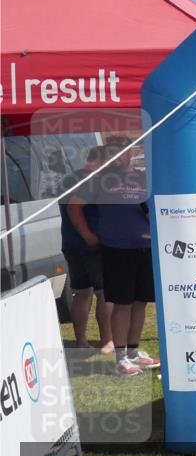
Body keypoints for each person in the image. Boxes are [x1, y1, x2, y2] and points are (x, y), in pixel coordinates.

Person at [70, 140, 159, 377]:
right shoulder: (99, 179)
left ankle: (133, 352)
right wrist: (88, 235)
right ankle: (121, 358)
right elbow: (74, 206)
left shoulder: (143, 177)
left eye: (122, 153)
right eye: (112, 154)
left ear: (132, 153)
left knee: (141, 302)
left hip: (145, 246)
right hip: (116, 250)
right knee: (122, 304)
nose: (117, 157)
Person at [61, 146, 113, 353]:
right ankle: (107, 341)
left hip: (70, 244)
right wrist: (89, 236)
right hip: (90, 243)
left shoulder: (69, 179)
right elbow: (74, 208)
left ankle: (81, 341)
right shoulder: (94, 179)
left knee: (81, 293)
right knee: (104, 293)